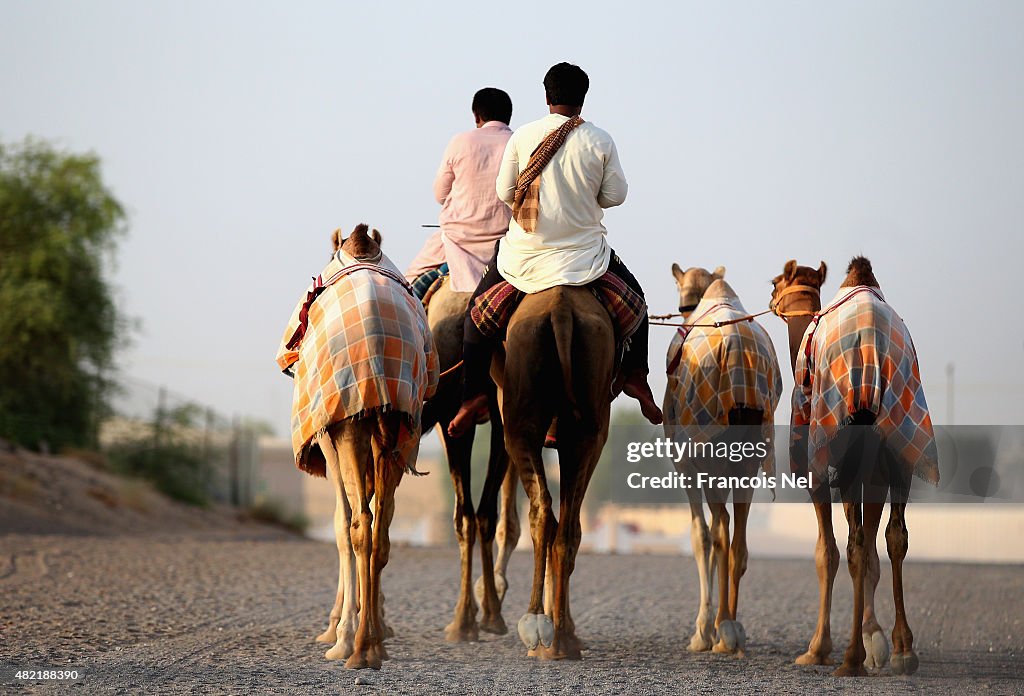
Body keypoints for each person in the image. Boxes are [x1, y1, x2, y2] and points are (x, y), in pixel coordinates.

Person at [448, 62, 663, 437]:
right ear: (582, 99)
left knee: (474, 317)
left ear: (546, 97)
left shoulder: (524, 136)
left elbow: (505, 193)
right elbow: (616, 195)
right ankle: (637, 377)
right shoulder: (600, 139)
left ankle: (472, 396)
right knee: (638, 304)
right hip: (586, 258)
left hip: (524, 257)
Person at [405, 88, 514, 296]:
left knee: (409, 287)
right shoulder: (520, 143)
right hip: (509, 244)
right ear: (508, 116)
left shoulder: (461, 141)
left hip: (458, 242)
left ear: (476, 116)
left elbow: (440, 194)